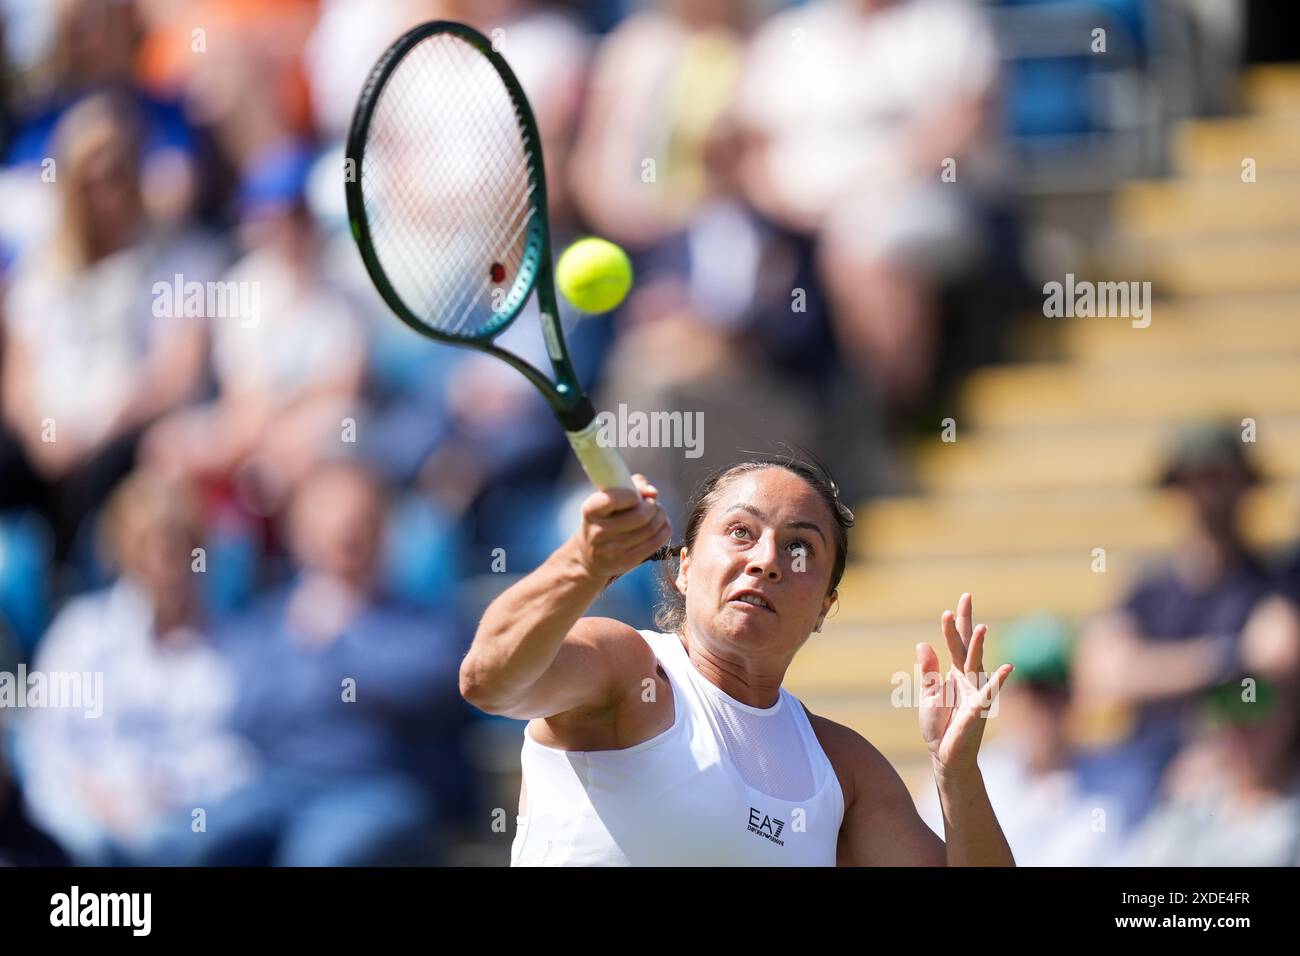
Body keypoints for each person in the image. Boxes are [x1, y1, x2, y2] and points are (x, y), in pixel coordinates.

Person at [461, 454, 1015, 865]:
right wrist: (582, 563)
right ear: (683, 567)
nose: (767, 561)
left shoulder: (845, 767)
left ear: (826, 606)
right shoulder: (626, 667)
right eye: (740, 532)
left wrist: (956, 774)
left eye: (800, 548)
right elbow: (489, 681)